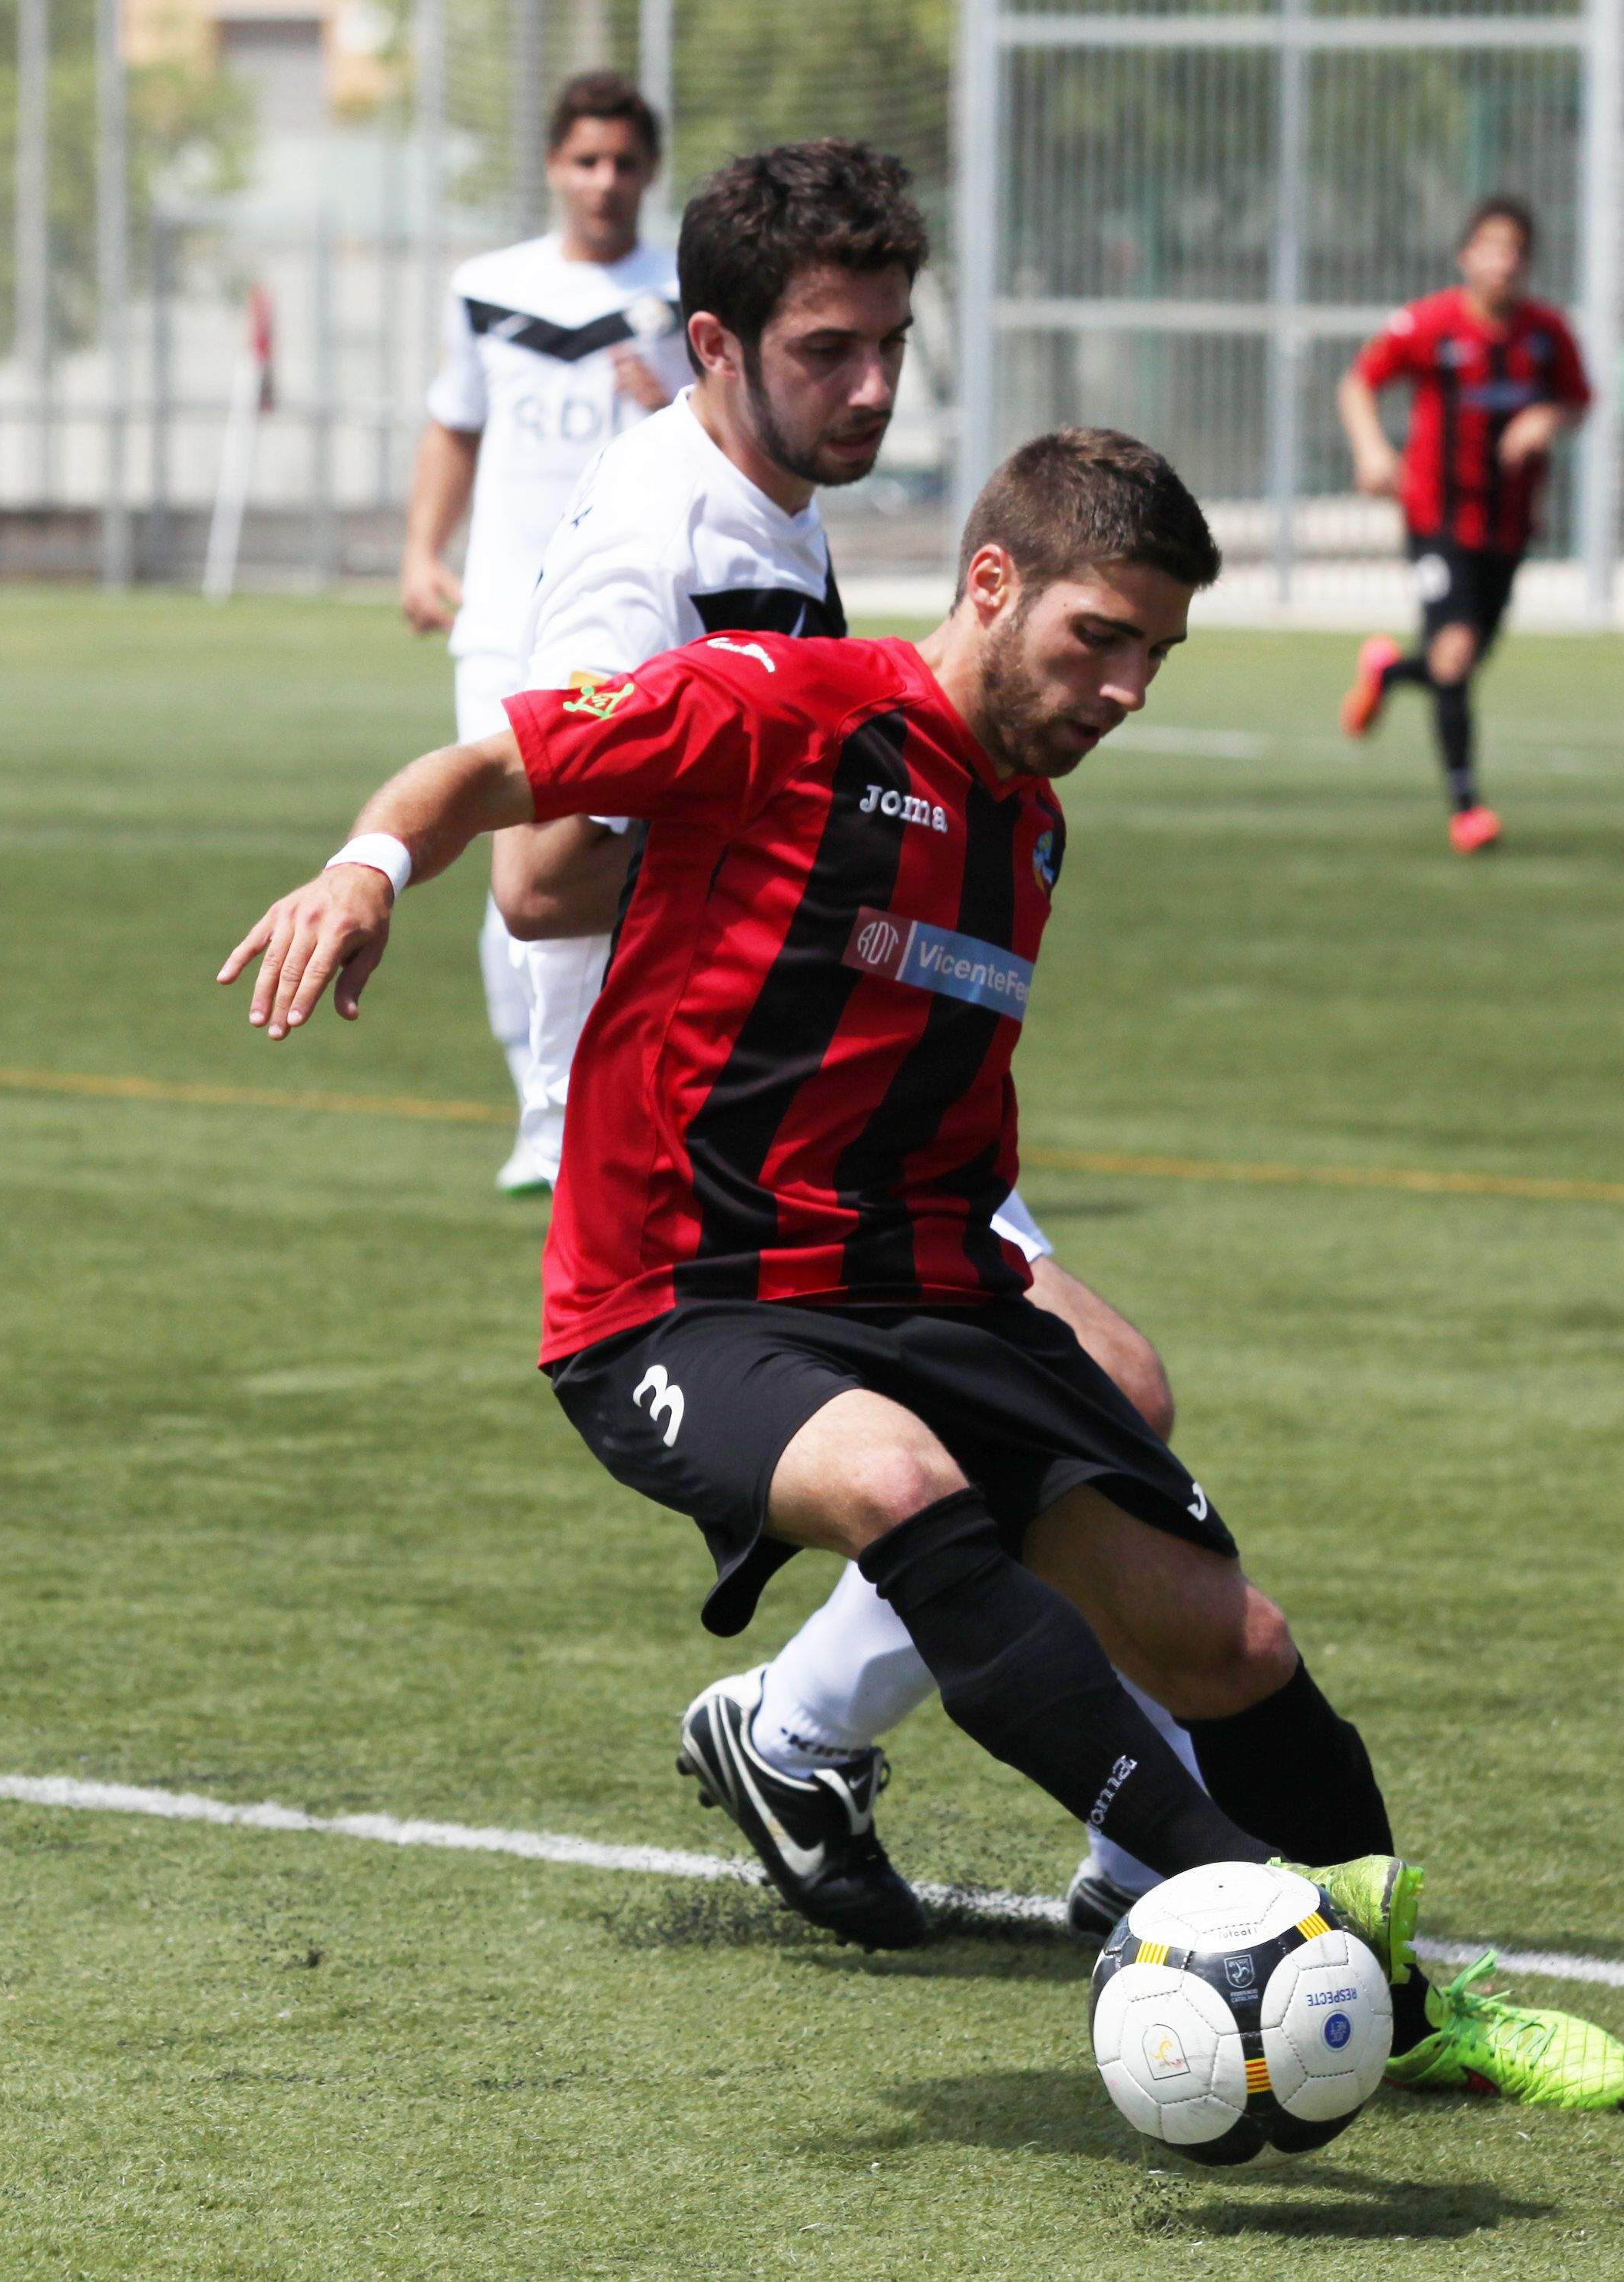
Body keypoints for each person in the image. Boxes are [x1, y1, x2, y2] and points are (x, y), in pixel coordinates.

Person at [220, 426, 1624, 2111]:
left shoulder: (1028, 833)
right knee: (900, 1480)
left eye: (1155, 658)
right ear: (993, 584)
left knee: (1233, 1646)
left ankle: (1401, 2001)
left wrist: (1038, 1304)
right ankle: (1221, 1896)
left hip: (918, 1284)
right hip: (677, 1293)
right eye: (1096, 640)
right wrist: (366, 869)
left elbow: (943, 1117)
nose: (1125, 688)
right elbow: (481, 776)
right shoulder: (775, 704)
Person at [491, 139, 1188, 1954]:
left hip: (867, 1056)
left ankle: (818, 1742)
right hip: (723, 1116)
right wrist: (790, 816)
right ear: (713, 346)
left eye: (887, 341)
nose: (869, 384)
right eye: (827, 350)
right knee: (1086, 1396)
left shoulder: (770, 497)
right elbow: (537, 873)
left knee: (1108, 1396)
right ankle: (1134, 1856)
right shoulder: (651, 541)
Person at [402, 73, 690, 1197]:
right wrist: (420, 551)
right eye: (585, 160)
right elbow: (453, 425)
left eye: (623, 162)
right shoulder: (487, 288)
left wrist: (667, 388)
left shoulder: (685, 294)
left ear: (648, 170)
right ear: (553, 166)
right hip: (508, 622)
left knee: (621, 863)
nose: (604, 182)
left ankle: (626, 1102)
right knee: (515, 864)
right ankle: (545, 1112)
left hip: (637, 619)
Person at [1333, 197, 1591, 855]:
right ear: (1465, 255)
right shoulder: (1430, 323)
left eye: (1515, 250)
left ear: (1528, 262)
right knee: (1453, 653)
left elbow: (1578, 400)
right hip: (1436, 516)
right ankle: (1468, 808)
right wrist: (1370, 449)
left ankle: (1388, 674)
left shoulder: (1545, 334)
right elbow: (1360, 382)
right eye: (1490, 246)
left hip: (1509, 526)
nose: (1502, 261)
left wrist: (1546, 420)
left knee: (1463, 662)